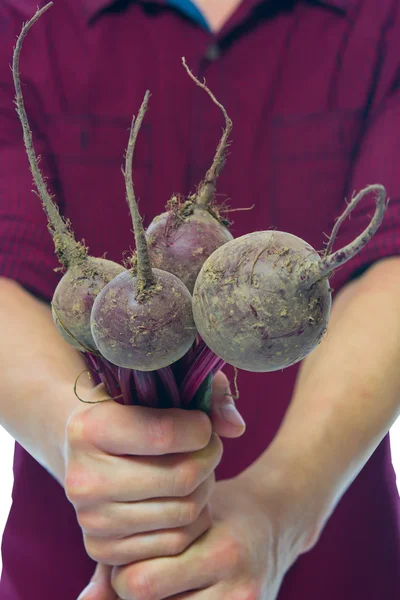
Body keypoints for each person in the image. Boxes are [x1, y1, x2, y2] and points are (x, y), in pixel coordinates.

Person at [0, 0, 399, 598]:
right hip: (74, 561)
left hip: (334, 557)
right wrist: (81, 440)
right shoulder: (23, 13)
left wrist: (279, 512)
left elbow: (390, 268)